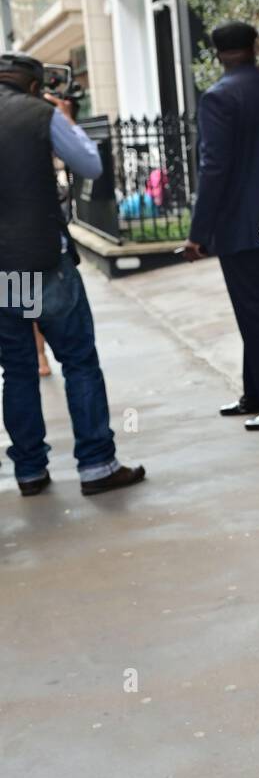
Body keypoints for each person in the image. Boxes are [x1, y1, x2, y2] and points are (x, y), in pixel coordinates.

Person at [0, 51, 145, 498]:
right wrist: (64, 118)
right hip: (44, 259)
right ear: (32, 84)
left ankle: (29, 472)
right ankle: (97, 465)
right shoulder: (39, 113)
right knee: (78, 360)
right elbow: (91, 166)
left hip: (5, 271)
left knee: (19, 370)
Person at [183, 21, 259, 431]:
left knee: (258, 315)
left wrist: (199, 232)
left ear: (217, 54)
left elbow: (213, 167)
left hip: (241, 227)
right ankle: (256, 393)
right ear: (256, 47)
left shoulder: (218, 98)